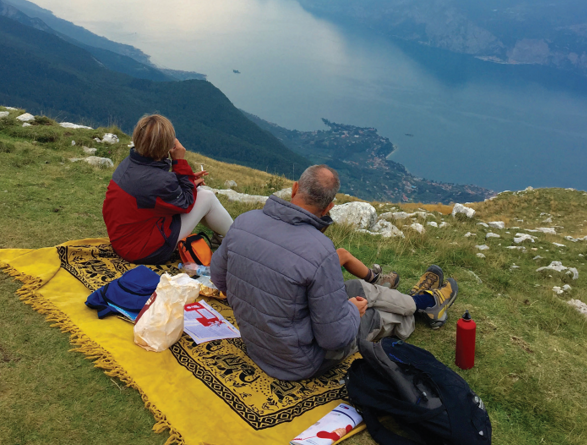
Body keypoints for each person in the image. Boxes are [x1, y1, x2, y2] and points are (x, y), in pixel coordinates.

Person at [210, 164, 458, 381]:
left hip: (257, 346)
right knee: (374, 315)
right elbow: (335, 339)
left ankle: (417, 302)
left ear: (295, 189)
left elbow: (219, 279)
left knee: (357, 288)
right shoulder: (319, 250)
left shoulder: (244, 222)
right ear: (329, 207)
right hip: (301, 361)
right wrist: (351, 310)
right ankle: (422, 306)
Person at [103, 114, 233, 264]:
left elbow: (157, 191)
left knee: (199, 193)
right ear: (167, 146)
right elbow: (186, 202)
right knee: (206, 197)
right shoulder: (158, 180)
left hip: (123, 240)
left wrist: (188, 181)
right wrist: (179, 161)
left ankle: (222, 236)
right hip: (142, 250)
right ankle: (238, 239)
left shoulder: (130, 163)